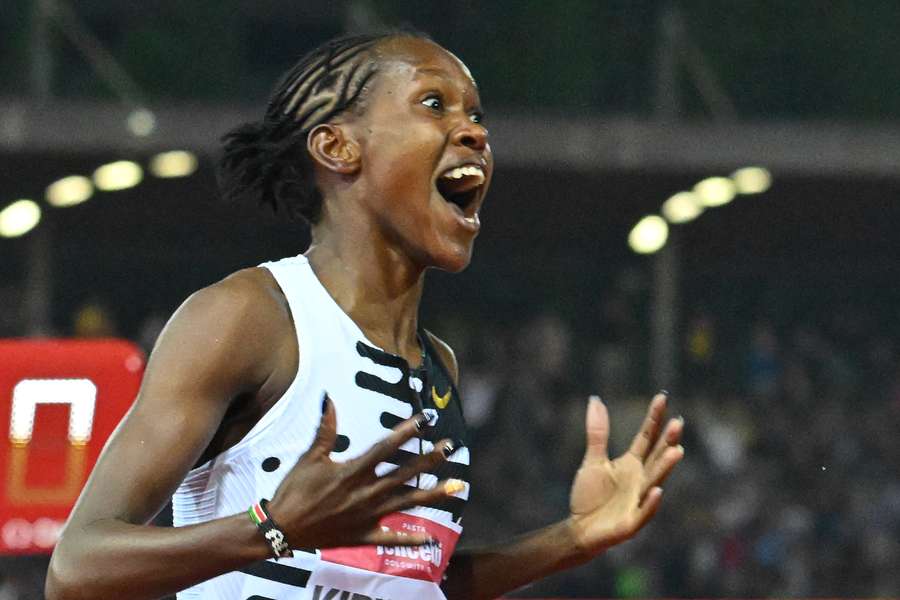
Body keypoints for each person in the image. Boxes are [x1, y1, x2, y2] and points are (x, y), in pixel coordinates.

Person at [45, 31, 684, 600]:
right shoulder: (250, 318)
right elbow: (76, 569)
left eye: (476, 113)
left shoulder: (439, 365)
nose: (476, 132)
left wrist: (575, 538)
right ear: (336, 147)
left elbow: (407, 580)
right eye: (434, 104)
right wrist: (270, 530)